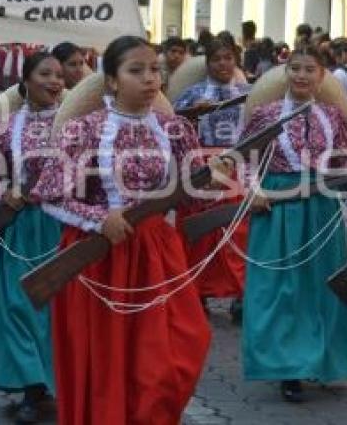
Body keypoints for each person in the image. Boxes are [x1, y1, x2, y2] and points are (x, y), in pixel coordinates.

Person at [32, 35, 217, 425]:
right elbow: (50, 196)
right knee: (106, 360)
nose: (150, 79)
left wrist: (217, 180)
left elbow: (189, 195)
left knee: (177, 352)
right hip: (99, 256)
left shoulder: (176, 129)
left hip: (157, 254)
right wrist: (98, 218)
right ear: (112, 81)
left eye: (155, 70)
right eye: (137, 71)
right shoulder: (82, 130)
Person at [242, 45, 347, 402]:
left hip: (321, 207)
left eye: (310, 69)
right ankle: (286, 368)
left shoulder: (333, 116)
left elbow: (344, 160)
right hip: (278, 206)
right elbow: (241, 159)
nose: (302, 76)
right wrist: (253, 190)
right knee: (280, 286)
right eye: (296, 68)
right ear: (285, 72)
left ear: (322, 75)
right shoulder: (266, 114)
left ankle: (320, 361)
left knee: (323, 282)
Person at [0, 52, 65, 424]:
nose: (54, 81)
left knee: (57, 307)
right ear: (25, 80)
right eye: (45, 74)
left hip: (63, 224)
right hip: (18, 229)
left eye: (58, 75)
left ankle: (56, 383)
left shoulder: (76, 126)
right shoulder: (5, 126)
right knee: (17, 306)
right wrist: (4, 193)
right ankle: (31, 386)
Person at [173, 39, 253, 322]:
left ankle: (242, 294)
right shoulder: (191, 94)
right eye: (217, 59)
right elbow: (173, 124)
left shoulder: (249, 93)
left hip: (237, 165)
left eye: (228, 58)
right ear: (208, 63)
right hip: (201, 166)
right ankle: (197, 291)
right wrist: (195, 111)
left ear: (236, 61)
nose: (223, 64)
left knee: (238, 230)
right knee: (199, 233)